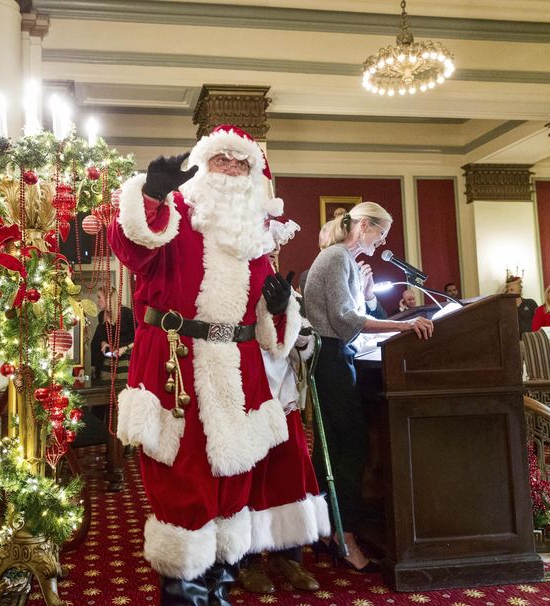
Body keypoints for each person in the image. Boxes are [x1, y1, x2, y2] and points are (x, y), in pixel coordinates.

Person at [110, 125, 311, 605]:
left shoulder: (255, 233)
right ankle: (182, 591)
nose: (231, 170)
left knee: (233, 480)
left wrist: (282, 308)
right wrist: (152, 194)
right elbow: (133, 247)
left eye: (241, 164)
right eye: (221, 160)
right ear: (202, 164)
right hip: (175, 364)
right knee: (180, 476)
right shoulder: (176, 211)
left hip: (238, 372)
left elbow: (269, 327)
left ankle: (219, 586)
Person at [304, 202, 433, 572]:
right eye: (382, 232)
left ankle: (329, 530)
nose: (383, 240)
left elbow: (356, 316)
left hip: (336, 356)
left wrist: (369, 295)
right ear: (362, 225)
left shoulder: (344, 261)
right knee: (349, 445)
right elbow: (346, 321)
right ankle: (342, 537)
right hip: (329, 358)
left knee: (338, 447)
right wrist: (405, 327)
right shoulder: (336, 257)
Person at [240, 219, 327, 594]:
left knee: (289, 473)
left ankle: (287, 556)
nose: (272, 254)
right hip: (244, 396)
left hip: (283, 397)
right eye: (267, 248)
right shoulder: (231, 286)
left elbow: (302, 342)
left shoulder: (283, 287)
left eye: (275, 249)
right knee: (247, 480)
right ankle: (245, 560)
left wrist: (298, 329)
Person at [89, 288, 134, 381]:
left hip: (126, 357)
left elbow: (139, 338)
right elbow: (102, 336)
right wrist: (104, 342)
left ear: (108, 298)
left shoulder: (127, 313)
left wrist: (125, 348)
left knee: (122, 386)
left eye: (99, 297)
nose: (97, 301)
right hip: (110, 357)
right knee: (106, 386)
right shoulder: (101, 315)